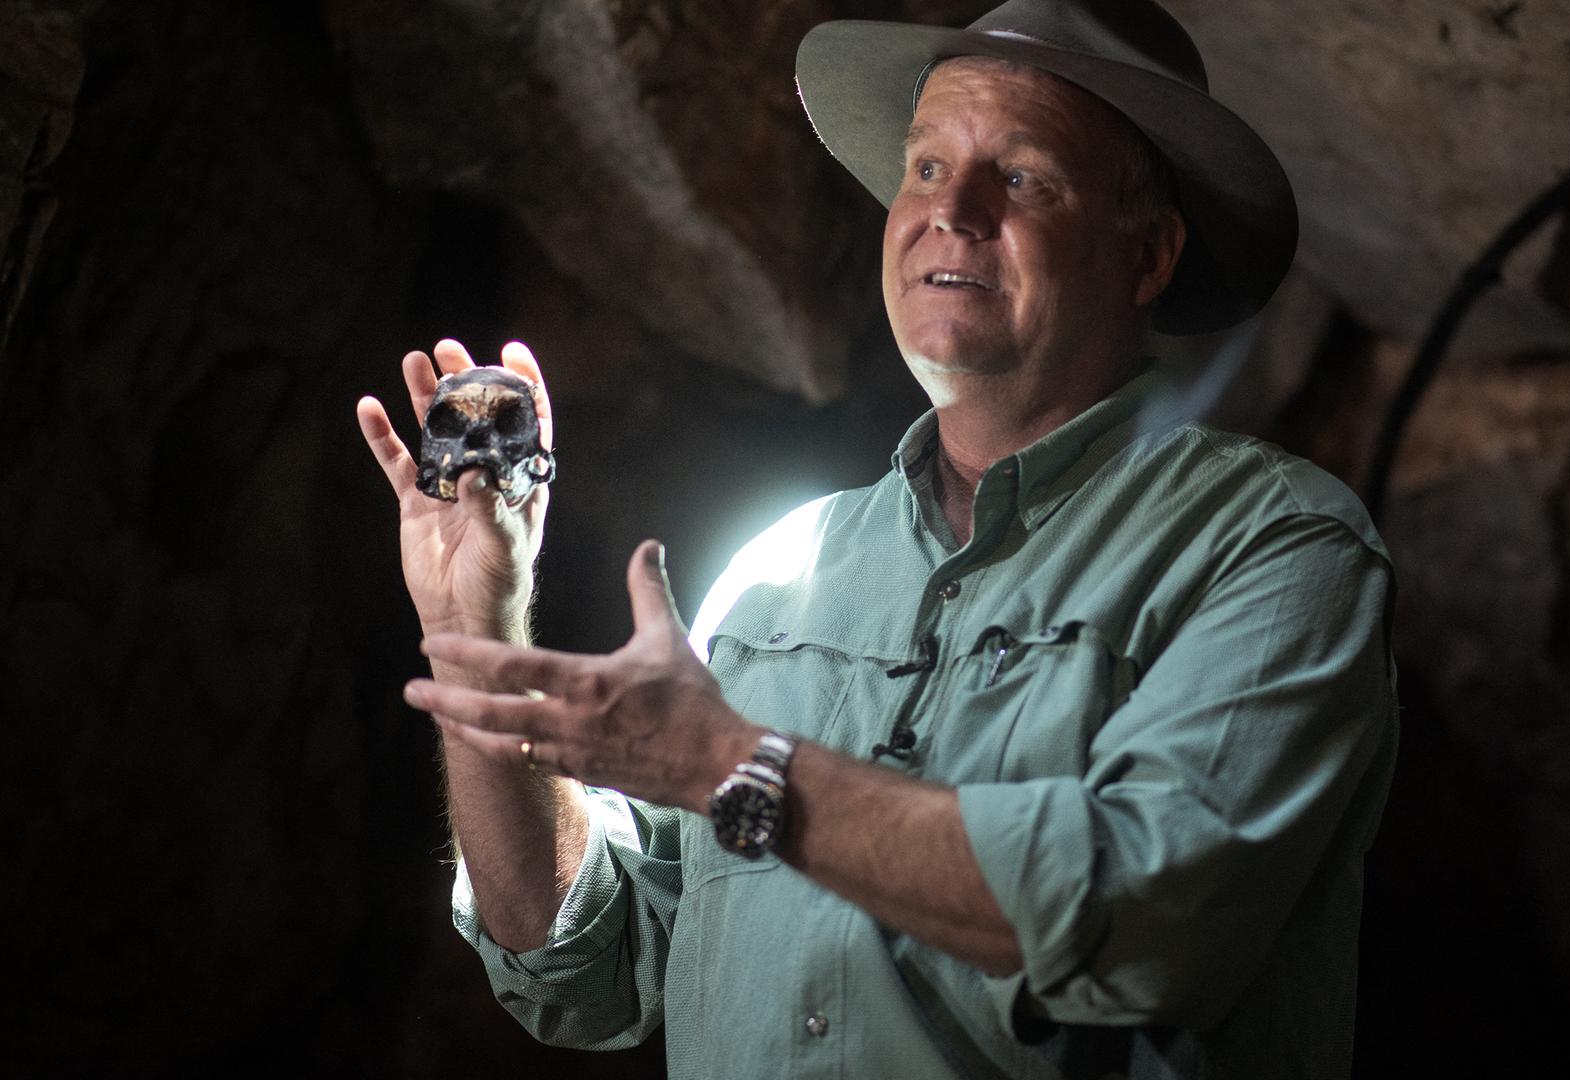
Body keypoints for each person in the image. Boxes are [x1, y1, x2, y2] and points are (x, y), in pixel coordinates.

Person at [355, 1, 1398, 1076]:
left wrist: (731, 765)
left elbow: (1144, 916)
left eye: (1025, 176)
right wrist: (472, 621)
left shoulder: (1272, 547)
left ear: (1148, 255)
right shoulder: (776, 574)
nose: (953, 212)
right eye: (928, 169)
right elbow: (580, 964)